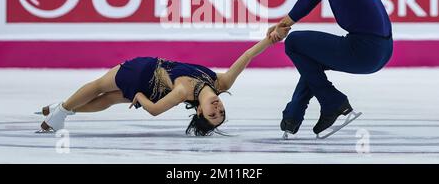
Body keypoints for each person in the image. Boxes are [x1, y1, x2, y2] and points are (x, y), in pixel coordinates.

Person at [267, 0, 393, 137]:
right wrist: (282, 24)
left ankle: (333, 101)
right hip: (378, 49)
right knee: (311, 60)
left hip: (366, 49)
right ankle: (294, 115)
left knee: (295, 42)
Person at [37, 32, 289, 136]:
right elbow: (246, 56)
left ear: (200, 111)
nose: (217, 108)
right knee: (110, 98)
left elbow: (155, 110)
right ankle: (61, 109)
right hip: (151, 87)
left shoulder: (184, 91)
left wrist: (139, 95)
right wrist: (272, 39)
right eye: (221, 111)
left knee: (100, 86)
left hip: (143, 72)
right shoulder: (220, 82)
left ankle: (61, 111)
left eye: (212, 114)